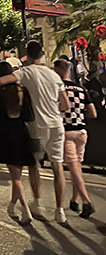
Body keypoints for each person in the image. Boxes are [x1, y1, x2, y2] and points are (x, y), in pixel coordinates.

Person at [0, 41, 70, 224]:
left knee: (34, 165)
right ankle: (60, 210)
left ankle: (38, 203)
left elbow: (2, 80)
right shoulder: (53, 75)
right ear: (42, 54)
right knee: (58, 166)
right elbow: (65, 104)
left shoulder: (26, 72)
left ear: (27, 55)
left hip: (37, 124)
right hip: (57, 123)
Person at [0, 61, 36, 224]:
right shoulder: (22, 91)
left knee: (15, 176)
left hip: (6, 133)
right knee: (18, 172)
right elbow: (30, 115)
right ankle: (12, 205)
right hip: (22, 132)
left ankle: (25, 209)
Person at [54, 58, 97, 219]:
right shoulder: (81, 89)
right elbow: (93, 113)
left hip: (67, 131)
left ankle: (86, 201)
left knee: (73, 167)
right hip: (82, 132)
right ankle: (74, 200)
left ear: (58, 70)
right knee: (76, 166)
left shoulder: (59, 88)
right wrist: (79, 113)